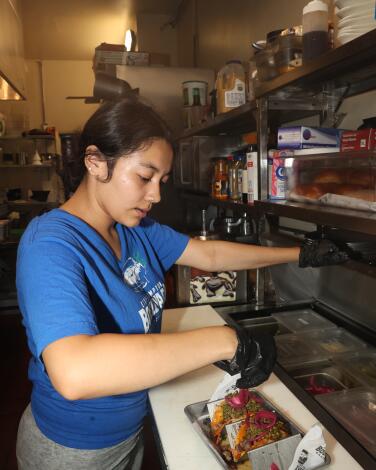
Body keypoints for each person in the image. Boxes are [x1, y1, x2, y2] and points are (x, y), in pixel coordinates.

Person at [15, 98, 349, 470]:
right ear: (95, 162)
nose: (155, 195)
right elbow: (75, 372)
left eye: (161, 181)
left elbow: (211, 256)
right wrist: (225, 341)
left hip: (129, 430)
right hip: (69, 451)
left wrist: (299, 254)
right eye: (144, 177)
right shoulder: (50, 243)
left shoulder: (135, 231)